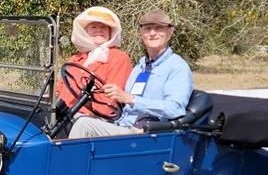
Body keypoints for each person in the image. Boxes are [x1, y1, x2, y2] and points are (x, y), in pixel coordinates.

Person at [68, 8, 193, 138]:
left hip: (148, 133)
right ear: (141, 33)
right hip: (122, 125)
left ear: (169, 32)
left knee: (83, 124)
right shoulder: (140, 66)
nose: (152, 33)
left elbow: (175, 109)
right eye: (147, 28)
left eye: (159, 28)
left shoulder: (178, 67)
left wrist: (131, 99)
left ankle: (66, 159)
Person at [55, 6, 133, 119]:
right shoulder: (75, 59)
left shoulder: (118, 58)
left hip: (89, 118)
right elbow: (59, 90)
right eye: (94, 27)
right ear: (86, 32)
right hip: (62, 114)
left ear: (110, 32)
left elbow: (109, 103)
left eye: (103, 27)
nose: (99, 30)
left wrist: (80, 114)